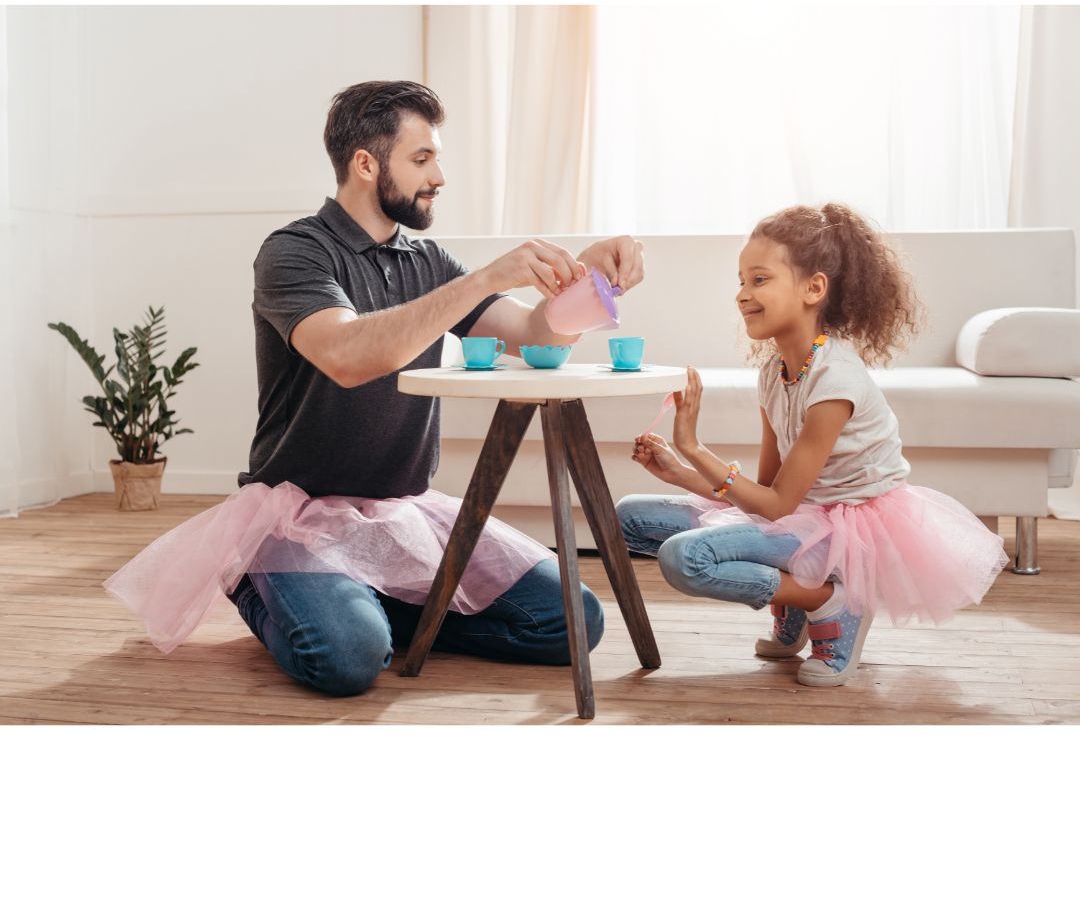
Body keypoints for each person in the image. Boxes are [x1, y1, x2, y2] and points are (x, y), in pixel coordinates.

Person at [105, 80, 646, 696]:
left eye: (436, 158)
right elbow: (350, 355)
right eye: (421, 159)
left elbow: (531, 334)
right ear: (366, 164)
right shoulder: (294, 252)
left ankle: (380, 605)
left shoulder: (429, 262)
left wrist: (591, 280)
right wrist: (488, 276)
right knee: (349, 659)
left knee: (574, 621)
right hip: (297, 514)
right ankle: (263, 584)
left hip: (401, 511)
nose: (438, 175)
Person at [615, 202, 1009, 687]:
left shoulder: (834, 382)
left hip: (845, 529)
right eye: (740, 281)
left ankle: (827, 602)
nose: (742, 295)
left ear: (813, 288)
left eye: (759, 280)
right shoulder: (774, 373)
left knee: (684, 558)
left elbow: (778, 506)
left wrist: (694, 447)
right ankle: (797, 599)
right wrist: (679, 471)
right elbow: (764, 493)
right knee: (627, 518)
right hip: (798, 516)